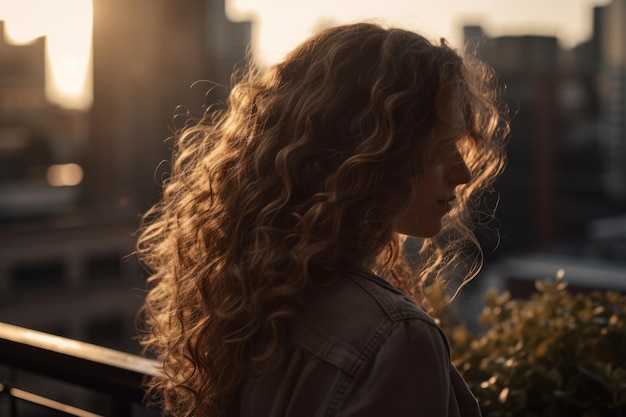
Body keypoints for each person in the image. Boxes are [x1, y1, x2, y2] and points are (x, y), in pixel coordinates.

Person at [136, 22, 507, 417]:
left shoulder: (253, 297)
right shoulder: (396, 338)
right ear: (372, 153)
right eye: (439, 146)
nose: (463, 173)